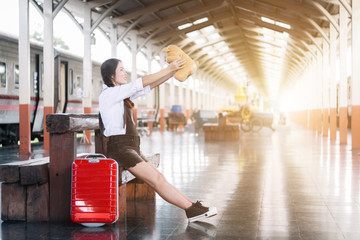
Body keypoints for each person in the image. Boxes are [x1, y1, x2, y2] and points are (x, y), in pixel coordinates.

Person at [99, 57, 217, 223]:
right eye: (121, 70)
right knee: (156, 180)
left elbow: (149, 85)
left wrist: (173, 72)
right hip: (121, 148)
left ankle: (193, 205)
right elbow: (140, 83)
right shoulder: (110, 94)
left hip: (130, 146)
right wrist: (169, 69)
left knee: (159, 178)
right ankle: (190, 210)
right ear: (112, 76)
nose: (125, 73)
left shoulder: (121, 94)